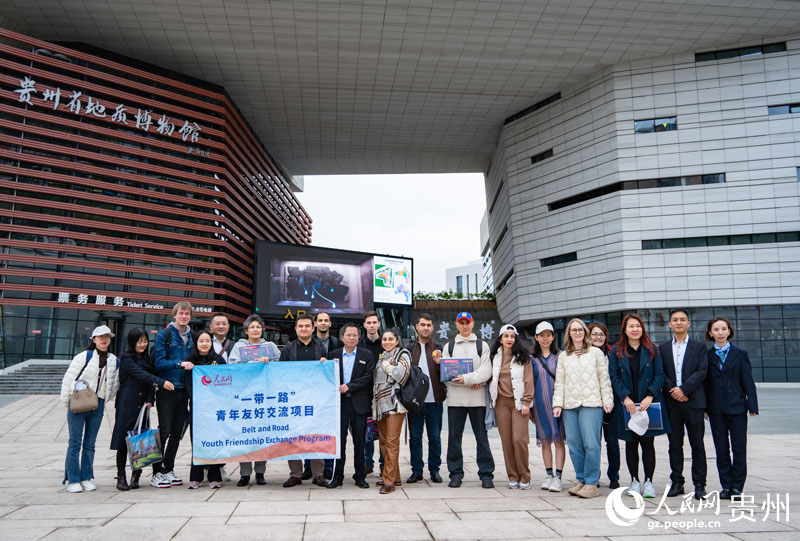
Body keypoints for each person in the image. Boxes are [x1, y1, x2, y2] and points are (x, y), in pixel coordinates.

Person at [608, 313, 671, 499]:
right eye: (631, 326)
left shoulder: (652, 349)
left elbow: (660, 374)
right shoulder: (617, 351)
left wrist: (651, 395)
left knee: (648, 443)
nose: (635, 329)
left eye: (638, 326)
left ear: (642, 328)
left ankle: (649, 481)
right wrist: (625, 398)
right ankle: (634, 481)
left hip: (646, 404)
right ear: (625, 330)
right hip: (627, 405)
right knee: (630, 444)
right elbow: (614, 376)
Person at [552, 318, 613, 499]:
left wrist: (607, 400)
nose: (577, 333)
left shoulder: (595, 353)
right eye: (573, 330)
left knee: (591, 444)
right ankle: (581, 479)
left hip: (591, 404)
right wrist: (557, 403)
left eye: (580, 330)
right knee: (574, 444)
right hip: (570, 405)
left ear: (585, 332)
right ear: (569, 333)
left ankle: (591, 482)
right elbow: (560, 382)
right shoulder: (564, 356)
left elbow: (604, 378)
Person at [110, 328, 175, 491]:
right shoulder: (126, 358)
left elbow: (149, 384)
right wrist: (161, 382)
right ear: (132, 342)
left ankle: (136, 474)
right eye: (139, 341)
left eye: (145, 341)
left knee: (139, 441)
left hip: (143, 405)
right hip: (127, 403)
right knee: (123, 441)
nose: (143, 344)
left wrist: (149, 399)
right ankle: (121, 475)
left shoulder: (147, 359)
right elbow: (141, 375)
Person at [60, 325, 120, 493]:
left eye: (107, 337)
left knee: (90, 443)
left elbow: (114, 383)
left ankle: (86, 477)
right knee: (75, 443)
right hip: (78, 402)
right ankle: (72, 479)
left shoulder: (113, 360)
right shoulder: (84, 357)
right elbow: (68, 378)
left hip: (97, 404)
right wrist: (66, 401)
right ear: (93, 339)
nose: (104, 339)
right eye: (100, 336)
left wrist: (105, 398)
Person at [704, 316, 758, 499]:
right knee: (721, 448)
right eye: (716, 329)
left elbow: (748, 381)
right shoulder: (707, 355)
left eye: (723, 329)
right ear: (710, 333)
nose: (720, 333)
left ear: (729, 331)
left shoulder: (740, 354)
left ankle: (737, 487)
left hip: (737, 407)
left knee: (739, 448)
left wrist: (753, 406)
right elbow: (705, 383)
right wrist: (704, 407)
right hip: (716, 408)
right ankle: (726, 486)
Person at [658, 310, 709, 500]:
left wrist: (684, 389)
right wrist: (674, 390)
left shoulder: (699, 347)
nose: (679, 323)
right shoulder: (662, 348)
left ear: (688, 323)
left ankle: (699, 484)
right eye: (675, 320)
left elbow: (702, 371)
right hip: (672, 403)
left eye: (682, 320)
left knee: (697, 445)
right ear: (669, 324)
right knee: (675, 445)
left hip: (694, 403)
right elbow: (660, 372)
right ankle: (677, 482)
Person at [443, 311, 494, 489]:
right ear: (456, 325)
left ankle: (486, 474)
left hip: (477, 400)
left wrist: (469, 379)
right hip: (455, 400)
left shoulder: (482, 345)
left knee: (481, 437)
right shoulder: (449, 346)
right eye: (461, 323)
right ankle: (455, 473)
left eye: (467, 322)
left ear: (473, 324)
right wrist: (472, 380)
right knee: (454, 438)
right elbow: (448, 375)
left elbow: (486, 371)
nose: (465, 326)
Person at [228, 313, 279, 486]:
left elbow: (282, 365)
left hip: (265, 395)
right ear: (246, 330)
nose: (255, 330)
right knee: (245, 435)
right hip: (245, 396)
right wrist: (252, 364)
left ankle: (260, 472)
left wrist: (268, 362)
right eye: (252, 327)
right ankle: (244, 473)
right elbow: (232, 367)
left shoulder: (270, 346)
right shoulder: (238, 347)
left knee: (262, 436)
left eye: (258, 327)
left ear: (262, 329)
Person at [279, 315, 328, 487]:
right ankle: (295, 474)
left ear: (313, 328)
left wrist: (326, 363)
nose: (304, 329)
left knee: (315, 437)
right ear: (296, 328)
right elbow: (280, 374)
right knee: (293, 438)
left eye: (307, 326)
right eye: (301, 326)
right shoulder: (288, 348)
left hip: (315, 400)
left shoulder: (321, 347)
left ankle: (318, 474)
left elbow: (329, 373)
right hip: (293, 401)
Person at [326, 323, 376, 489]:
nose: (352, 338)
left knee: (360, 442)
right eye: (349, 335)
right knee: (339, 442)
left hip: (359, 404)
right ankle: (337, 476)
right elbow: (326, 376)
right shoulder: (333, 355)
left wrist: (350, 386)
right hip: (339, 404)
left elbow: (369, 376)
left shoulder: (366, 354)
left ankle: (360, 476)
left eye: (355, 335)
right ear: (342, 337)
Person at [153, 301, 194, 488]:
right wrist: (179, 364)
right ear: (174, 315)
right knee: (164, 431)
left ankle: (168, 469)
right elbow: (158, 363)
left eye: (187, 314)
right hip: (167, 388)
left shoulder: (192, 336)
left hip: (184, 389)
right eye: (181, 313)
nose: (184, 316)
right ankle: (156, 473)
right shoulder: (165, 335)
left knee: (177, 433)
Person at [488, 324, 534, 489]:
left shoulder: (523, 357)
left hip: (519, 403)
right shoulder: (494, 357)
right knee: (507, 441)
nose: (509, 339)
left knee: (519, 440)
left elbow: (529, 381)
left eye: (512, 336)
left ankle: (525, 476)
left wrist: (527, 402)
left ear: (515, 339)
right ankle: (513, 476)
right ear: (500, 339)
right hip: (501, 403)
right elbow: (489, 376)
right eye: (506, 336)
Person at [405, 313, 445, 484]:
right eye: (423, 324)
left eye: (429, 325)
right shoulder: (407, 348)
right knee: (415, 437)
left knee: (435, 437)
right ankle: (417, 471)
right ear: (417, 326)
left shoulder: (439, 347)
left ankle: (434, 470)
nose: (425, 328)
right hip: (415, 402)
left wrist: (440, 363)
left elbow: (447, 374)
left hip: (434, 400)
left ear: (432, 327)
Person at [184, 329, 225, 489]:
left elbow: (225, 382)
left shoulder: (218, 360)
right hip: (198, 407)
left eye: (208, 341)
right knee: (197, 440)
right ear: (196, 343)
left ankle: (214, 477)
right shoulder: (190, 362)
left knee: (214, 440)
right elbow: (188, 384)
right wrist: (198, 400)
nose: (204, 344)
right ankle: (196, 477)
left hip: (215, 408)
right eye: (201, 341)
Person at [372, 328, 411, 494]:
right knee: (383, 442)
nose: (387, 342)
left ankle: (389, 481)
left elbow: (402, 375)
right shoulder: (382, 357)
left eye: (390, 339)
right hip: (380, 406)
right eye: (384, 339)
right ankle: (395, 477)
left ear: (396, 341)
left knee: (391, 442)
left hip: (395, 405)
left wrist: (387, 367)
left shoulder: (403, 354)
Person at [531, 321, 566, 492]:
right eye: (541, 335)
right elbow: (529, 383)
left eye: (548, 335)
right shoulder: (531, 359)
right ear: (536, 338)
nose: (545, 338)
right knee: (545, 441)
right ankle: (549, 475)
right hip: (539, 406)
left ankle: (558, 477)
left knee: (559, 441)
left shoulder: (561, 356)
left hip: (558, 405)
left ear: (553, 337)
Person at [588, 321, 620, 489]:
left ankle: (614, 476)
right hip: (591, 403)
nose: (598, 337)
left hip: (611, 404)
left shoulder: (613, 353)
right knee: (593, 443)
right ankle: (594, 475)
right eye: (594, 334)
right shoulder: (584, 353)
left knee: (612, 441)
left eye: (601, 334)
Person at [309, 311, 339, 479]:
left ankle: (327, 467)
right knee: (308, 432)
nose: (322, 323)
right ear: (315, 324)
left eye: (325, 320)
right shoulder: (308, 342)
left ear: (330, 323)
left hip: (330, 393)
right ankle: (309, 467)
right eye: (319, 320)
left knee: (326, 432)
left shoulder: (336, 342)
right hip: (310, 393)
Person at [359, 310, 383, 475]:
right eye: (369, 323)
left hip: (384, 394)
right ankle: (368, 463)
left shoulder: (387, 342)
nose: (372, 325)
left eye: (374, 322)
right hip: (365, 393)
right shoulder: (360, 344)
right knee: (367, 430)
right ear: (365, 325)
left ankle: (384, 464)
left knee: (383, 431)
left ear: (379, 324)